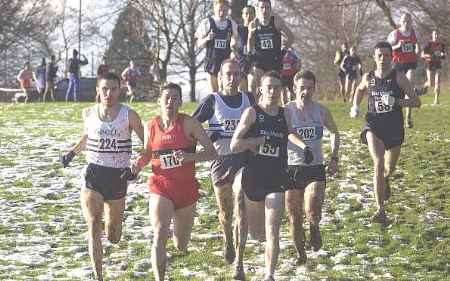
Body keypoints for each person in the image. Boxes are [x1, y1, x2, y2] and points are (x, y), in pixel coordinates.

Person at [60, 72, 145, 281]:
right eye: (104, 89)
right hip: (94, 174)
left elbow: (149, 145)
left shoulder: (129, 115)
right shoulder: (88, 113)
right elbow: (88, 137)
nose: (108, 93)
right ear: (98, 90)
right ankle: (99, 276)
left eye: (113, 89)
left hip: (118, 176)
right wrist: (72, 152)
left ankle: (114, 229)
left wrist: (137, 166)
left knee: (114, 235)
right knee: (93, 223)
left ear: (120, 90)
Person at [132, 83, 217, 281]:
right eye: (167, 97)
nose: (170, 101)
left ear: (180, 101)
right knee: (160, 232)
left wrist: (189, 158)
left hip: (186, 190)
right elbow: (147, 153)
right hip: (161, 186)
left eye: (175, 98)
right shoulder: (151, 125)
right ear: (159, 101)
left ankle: (174, 244)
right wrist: (138, 164)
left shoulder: (190, 124)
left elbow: (212, 152)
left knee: (181, 245)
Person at [230, 71, 308, 281]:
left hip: (276, 178)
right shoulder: (252, 113)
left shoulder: (284, 114)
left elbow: (290, 132)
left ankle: (269, 275)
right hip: (252, 178)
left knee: (273, 229)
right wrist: (254, 142)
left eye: (277, 87)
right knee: (246, 226)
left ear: (282, 90)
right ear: (261, 90)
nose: (273, 91)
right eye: (269, 87)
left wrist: (303, 147)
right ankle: (239, 261)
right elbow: (234, 145)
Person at [192, 59, 254, 279]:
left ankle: (240, 261)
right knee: (226, 213)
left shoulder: (249, 99)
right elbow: (192, 126)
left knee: (241, 208)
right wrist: (206, 140)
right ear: (219, 77)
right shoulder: (212, 101)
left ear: (241, 77)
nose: (232, 78)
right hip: (220, 161)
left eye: (236, 74)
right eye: (228, 74)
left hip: (244, 161)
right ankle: (228, 237)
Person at [350, 42, 421, 225]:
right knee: (378, 162)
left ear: (392, 57)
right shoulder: (368, 77)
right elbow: (359, 90)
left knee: (389, 168)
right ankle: (380, 209)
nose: (383, 59)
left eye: (386, 55)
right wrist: (355, 106)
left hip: (394, 128)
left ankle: (386, 179)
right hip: (373, 125)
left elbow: (416, 101)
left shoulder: (399, 78)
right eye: (379, 55)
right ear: (374, 57)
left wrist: (397, 102)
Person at [285, 70, 340, 264]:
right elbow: (284, 134)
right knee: (294, 217)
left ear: (314, 89)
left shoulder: (321, 110)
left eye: (309, 88)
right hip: (291, 169)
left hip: (315, 168)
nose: (306, 92)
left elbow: (334, 132)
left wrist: (334, 157)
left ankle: (314, 226)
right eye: (302, 88)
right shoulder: (286, 111)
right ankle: (300, 253)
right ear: (294, 88)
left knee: (312, 207)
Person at [247, 0, 294, 97]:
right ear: (258, 9)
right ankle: (256, 107)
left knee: (272, 86)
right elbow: (250, 45)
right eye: (262, 8)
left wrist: (284, 50)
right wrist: (250, 36)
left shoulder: (276, 21)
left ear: (270, 9)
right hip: (259, 60)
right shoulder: (253, 24)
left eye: (267, 8)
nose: (264, 10)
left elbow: (291, 36)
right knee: (255, 84)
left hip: (274, 60)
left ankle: (270, 107)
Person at [195, 0, 239, 93]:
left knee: (225, 92)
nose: (222, 13)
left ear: (228, 10)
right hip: (212, 63)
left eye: (224, 10)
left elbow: (236, 41)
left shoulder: (232, 24)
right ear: (214, 9)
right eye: (219, 10)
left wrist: (234, 44)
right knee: (214, 93)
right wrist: (207, 38)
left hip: (226, 65)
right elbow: (198, 44)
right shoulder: (207, 23)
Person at [387, 13, 420, 128]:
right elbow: (387, 48)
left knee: (409, 87)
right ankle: (393, 114)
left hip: (411, 63)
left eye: (409, 21)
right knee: (397, 92)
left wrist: (417, 51)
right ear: (400, 22)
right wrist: (397, 46)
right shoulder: (395, 33)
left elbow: (416, 45)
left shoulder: (413, 33)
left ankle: (408, 117)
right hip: (398, 65)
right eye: (404, 21)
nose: (407, 23)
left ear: (411, 22)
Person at [422, 30, 446, 105]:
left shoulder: (441, 44)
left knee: (437, 82)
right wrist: (430, 56)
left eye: (437, 34)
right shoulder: (428, 44)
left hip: (438, 64)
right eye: (435, 34)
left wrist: (443, 54)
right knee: (431, 83)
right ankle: (424, 86)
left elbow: (444, 55)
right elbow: (422, 55)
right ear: (432, 35)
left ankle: (436, 99)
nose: (436, 36)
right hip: (429, 64)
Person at [236, 5, 256, 92]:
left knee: (253, 89)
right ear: (242, 15)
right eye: (246, 13)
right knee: (241, 90)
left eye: (251, 13)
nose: (248, 16)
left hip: (254, 63)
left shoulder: (258, 29)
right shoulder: (237, 29)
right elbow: (232, 44)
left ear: (254, 15)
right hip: (241, 63)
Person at [280, 38, 301, 105]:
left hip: (292, 74)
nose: (284, 43)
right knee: (283, 91)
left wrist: (298, 68)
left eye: (286, 41)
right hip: (282, 74)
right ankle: (284, 105)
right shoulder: (279, 50)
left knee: (292, 91)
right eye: (283, 41)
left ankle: (292, 104)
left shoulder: (293, 51)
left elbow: (299, 60)